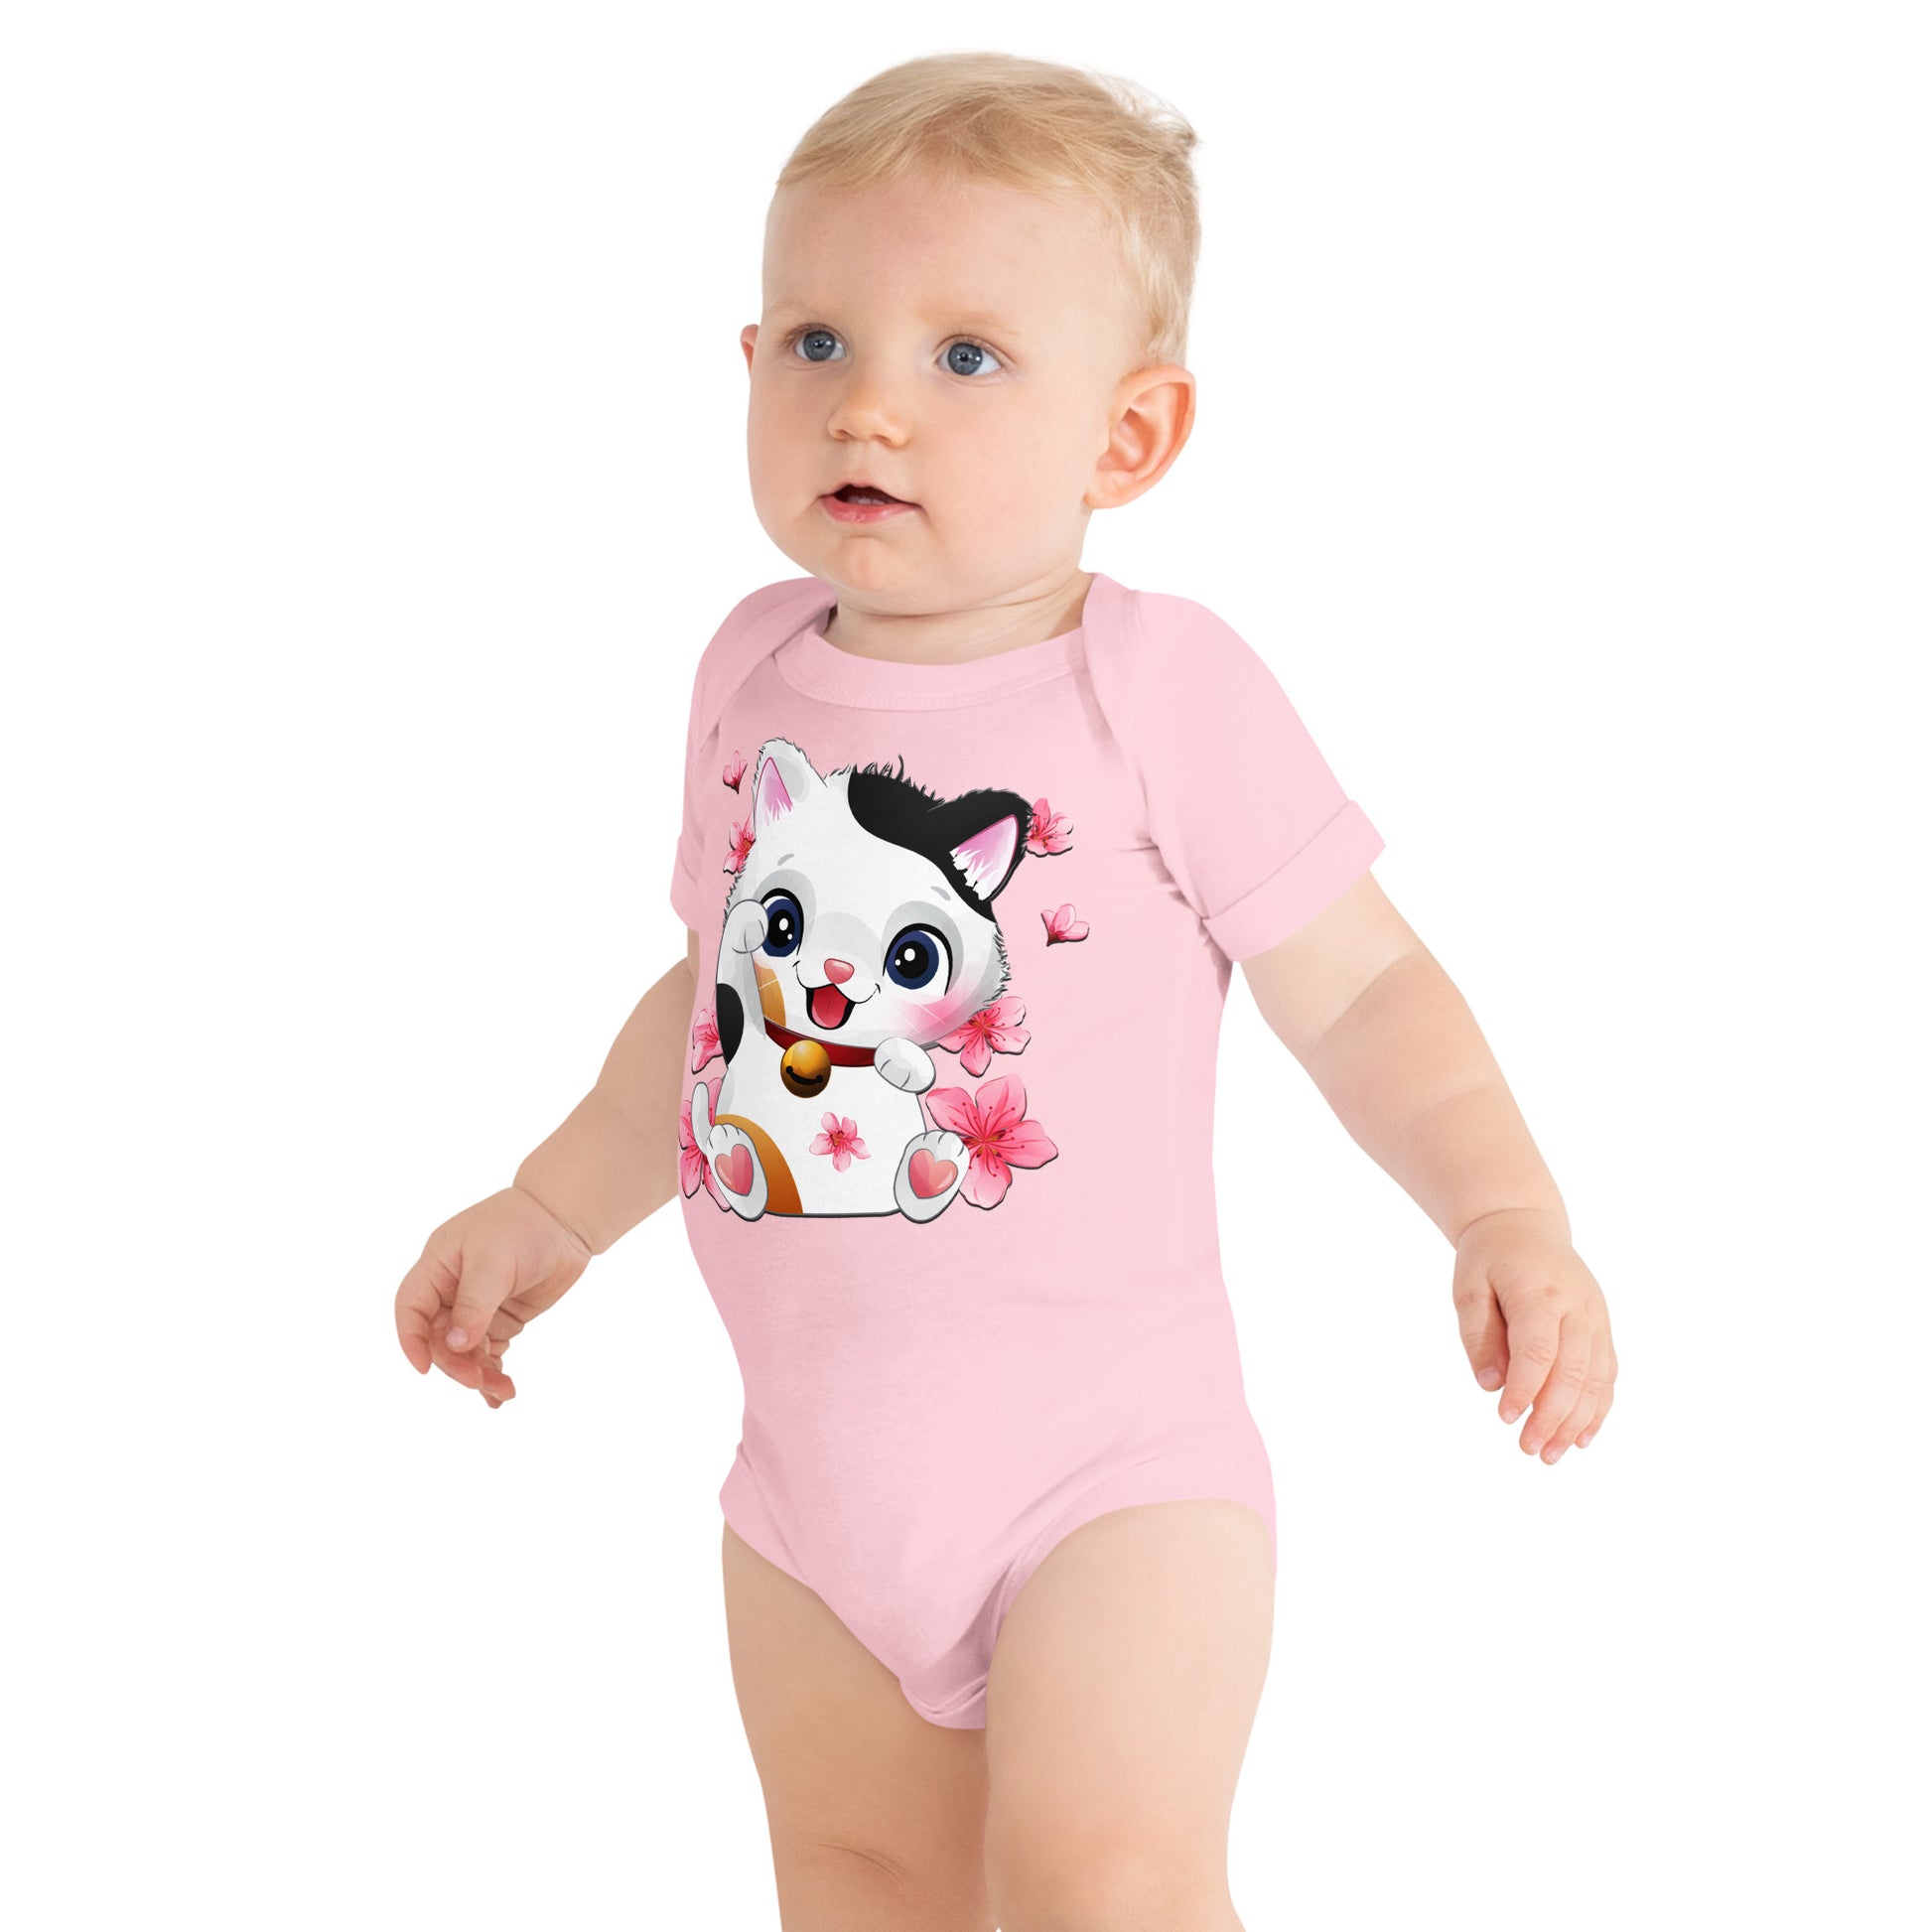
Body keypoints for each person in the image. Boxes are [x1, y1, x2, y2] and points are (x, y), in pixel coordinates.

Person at [393, 50, 1617, 1932]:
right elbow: (717, 1003)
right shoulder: (747, 675)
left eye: (965, 355)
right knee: (860, 1887)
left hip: (1109, 1479)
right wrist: (553, 1201)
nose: (870, 400)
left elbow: (1364, 984)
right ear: (746, 364)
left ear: (1126, 438)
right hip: (810, 1495)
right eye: (818, 341)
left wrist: (1502, 1208)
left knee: (1103, 1886)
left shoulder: (1157, 686)